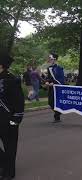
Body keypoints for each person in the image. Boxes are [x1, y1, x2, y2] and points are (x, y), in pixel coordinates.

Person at [0, 52, 24, 180]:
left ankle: (9, 172)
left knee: (10, 147)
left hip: (8, 119)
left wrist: (16, 119)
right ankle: (4, 163)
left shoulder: (12, 80)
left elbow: (19, 102)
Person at [45, 53, 65, 123]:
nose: (49, 60)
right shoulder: (49, 68)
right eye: (49, 59)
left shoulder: (59, 68)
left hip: (58, 88)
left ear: (55, 60)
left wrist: (54, 83)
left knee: (56, 102)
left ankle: (57, 116)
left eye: (51, 59)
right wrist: (47, 81)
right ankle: (58, 112)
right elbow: (49, 78)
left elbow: (61, 79)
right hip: (51, 88)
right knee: (50, 102)